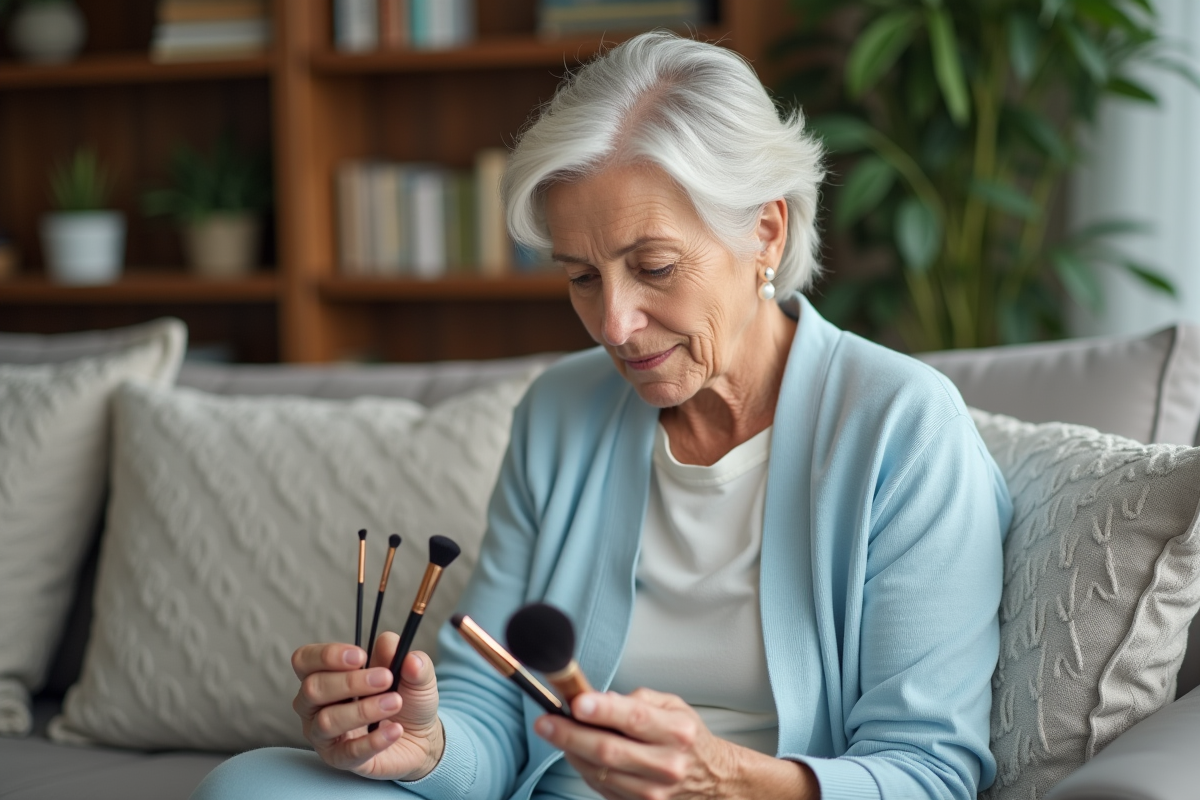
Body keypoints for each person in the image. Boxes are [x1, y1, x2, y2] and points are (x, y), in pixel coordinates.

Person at [192, 31, 1012, 800]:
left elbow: (927, 771)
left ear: (765, 230)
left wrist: (724, 777)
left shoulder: (901, 426)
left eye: (652, 266)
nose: (614, 325)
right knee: (254, 781)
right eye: (582, 277)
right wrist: (425, 743)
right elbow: (495, 706)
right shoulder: (558, 412)